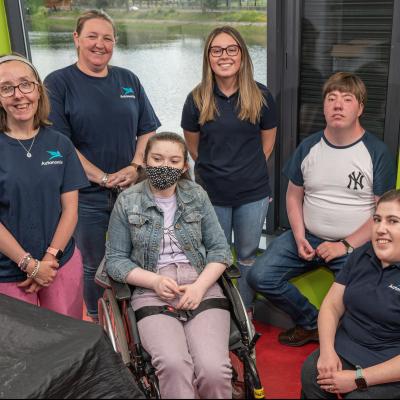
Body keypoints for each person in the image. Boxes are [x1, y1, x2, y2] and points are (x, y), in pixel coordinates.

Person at [247, 72, 396, 346]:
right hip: (307, 237)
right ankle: (311, 322)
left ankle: (341, 336)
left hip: (354, 245)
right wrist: (300, 235)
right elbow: (293, 197)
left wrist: (345, 245)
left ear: (360, 108)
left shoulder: (377, 152)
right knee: (260, 276)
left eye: (347, 99)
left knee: (359, 297)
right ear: (324, 106)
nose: (338, 105)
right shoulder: (309, 146)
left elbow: (381, 216)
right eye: (332, 98)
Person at [44, 10, 161, 320]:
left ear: (114, 42)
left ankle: (140, 317)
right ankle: (98, 321)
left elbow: (147, 129)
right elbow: (60, 144)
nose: (100, 44)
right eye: (92, 36)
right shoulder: (58, 83)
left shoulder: (128, 80)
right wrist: (103, 177)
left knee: (139, 256)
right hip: (86, 196)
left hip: (132, 192)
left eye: (107, 37)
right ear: (76, 39)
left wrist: (136, 166)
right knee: (93, 264)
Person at [106, 132, 233, 399]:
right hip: (151, 285)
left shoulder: (196, 195)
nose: (165, 166)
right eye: (157, 158)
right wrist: (154, 281)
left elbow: (220, 251)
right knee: (174, 365)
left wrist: (199, 287)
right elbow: (115, 260)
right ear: (145, 162)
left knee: (214, 370)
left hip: (200, 282)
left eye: (174, 160)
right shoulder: (128, 201)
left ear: (184, 167)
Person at [181, 26, 277, 315]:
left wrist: (243, 171)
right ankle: (220, 311)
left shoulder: (261, 96)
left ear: (242, 55)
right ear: (208, 57)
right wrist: (220, 173)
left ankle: (245, 311)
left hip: (253, 193)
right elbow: (194, 148)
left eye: (231, 49)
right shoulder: (196, 99)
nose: (225, 56)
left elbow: (267, 146)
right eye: (217, 50)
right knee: (215, 256)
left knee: (247, 255)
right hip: (212, 195)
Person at [0, 54, 89, 318]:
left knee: (68, 346)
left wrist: (49, 260)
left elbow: (70, 210)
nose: (19, 95)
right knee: (21, 354)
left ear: (38, 89)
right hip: (8, 271)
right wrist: (28, 264)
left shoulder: (60, 144)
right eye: (6, 88)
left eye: (26, 84)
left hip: (59, 264)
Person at [301, 189, 400, 399]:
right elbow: (332, 306)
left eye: (393, 221)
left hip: (388, 366)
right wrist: (327, 352)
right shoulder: (362, 254)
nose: (381, 229)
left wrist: (359, 378)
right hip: (347, 346)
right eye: (377, 219)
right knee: (312, 374)